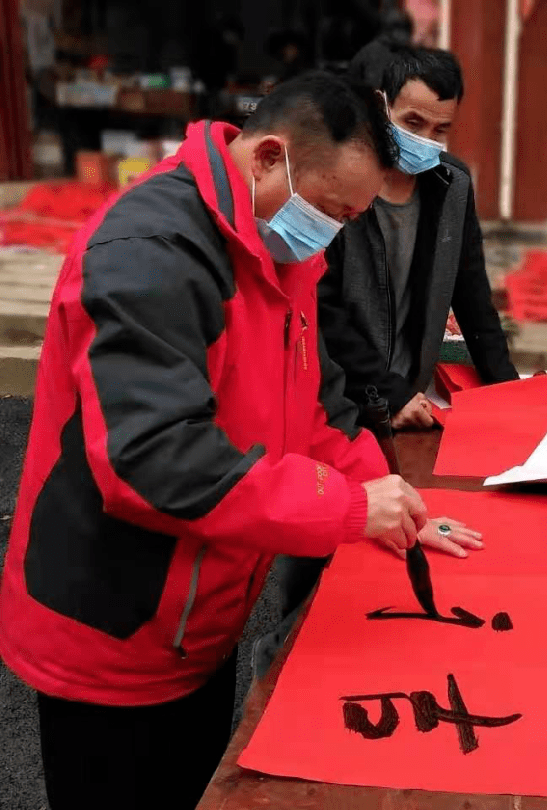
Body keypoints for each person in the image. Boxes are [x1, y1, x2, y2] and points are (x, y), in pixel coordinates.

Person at [0, 72, 449, 810]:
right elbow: (153, 461)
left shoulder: (282, 248)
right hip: (116, 631)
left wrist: (392, 502)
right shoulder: (150, 253)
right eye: (333, 210)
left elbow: (314, 406)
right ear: (270, 156)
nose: (332, 232)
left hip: (203, 620)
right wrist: (343, 509)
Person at [318, 41, 518, 433]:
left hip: (414, 399)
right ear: (382, 106)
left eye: (441, 129)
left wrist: (509, 392)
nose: (426, 139)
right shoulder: (339, 183)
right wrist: (387, 392)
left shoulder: (451, 185)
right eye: (413, 124)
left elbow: (473, 296)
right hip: (343, 400)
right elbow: (325, 311)